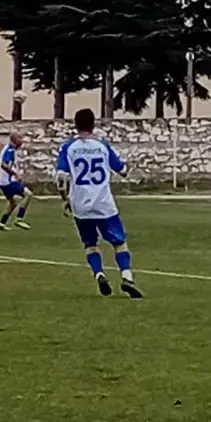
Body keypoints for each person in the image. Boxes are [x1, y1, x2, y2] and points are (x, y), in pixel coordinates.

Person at [56, 108, 142, 298]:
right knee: (119, 243)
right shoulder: (102, 146)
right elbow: (122, 170)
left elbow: (61, 178)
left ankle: (99, 274)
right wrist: (129, 166)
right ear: (93, 124)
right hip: (104, 204)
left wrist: (65, 199)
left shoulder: (68, 147)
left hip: (80, 205)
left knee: (90, 244)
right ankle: (127, 277)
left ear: (75, 125)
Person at [0, 131, 33, 231]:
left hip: (2, 182)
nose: (21, 142)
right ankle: (19, 219)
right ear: (14, 140)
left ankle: (2, 223)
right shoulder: (9, 150)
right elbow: (4, 165)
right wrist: (15, 174)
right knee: (28, 194)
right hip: (8, 182)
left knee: (12, 203)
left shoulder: (9, 149)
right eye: (19, 139)